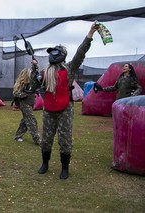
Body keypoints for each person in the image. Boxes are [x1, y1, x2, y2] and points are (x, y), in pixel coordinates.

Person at [37, 22, 99, 180]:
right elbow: (35, 84)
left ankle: (65, 168)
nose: (53, 54)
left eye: (56, 52)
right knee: (46, 139)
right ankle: (45, 163)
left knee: (65, 140)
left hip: (65, 109)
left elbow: (80, 53)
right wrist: (34, 74)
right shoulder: (45, 72)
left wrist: (90, 33)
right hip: (49, 110)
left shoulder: (69, 69)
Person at [13, 60, 42, 145]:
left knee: (25, 121)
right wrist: (23, 95)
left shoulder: (31, 82)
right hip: (24, 104)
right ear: (26, 74)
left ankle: (18, 135)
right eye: (29, 73)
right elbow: (16, 93)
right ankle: (37, 140)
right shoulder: (21, 83)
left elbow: (34, 72)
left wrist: (35, 64)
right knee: (32, 121)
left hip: (31, 103)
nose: (31, 74)